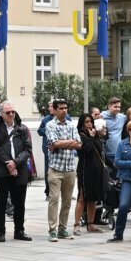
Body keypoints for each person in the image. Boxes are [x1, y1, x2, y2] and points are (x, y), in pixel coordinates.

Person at [0, 104, 34, 242]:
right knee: (1, 201)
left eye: (13, 112)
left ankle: (19, 230)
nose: (11, 114)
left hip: (19, 169)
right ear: (1, 114)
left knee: (19, 202)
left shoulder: (22, 128)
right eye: (8, 112)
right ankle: (0, 231)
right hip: (2, 170)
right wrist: (9, 163)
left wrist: (16, 162)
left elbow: (27, 149)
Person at [44, 98, 81, 241]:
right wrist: (67, 142)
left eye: (66, 108)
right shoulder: (50, 125)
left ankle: (62, 229)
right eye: (61, 108)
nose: (64, 111)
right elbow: (54, 142)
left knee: (67, 201)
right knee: (54, 199)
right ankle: (52, 230)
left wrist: (61, 144)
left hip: (70, 168)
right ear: (55, 110)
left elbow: (78, 144)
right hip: (56, 168)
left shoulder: (72, 125)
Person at [76, 111, 110, 235]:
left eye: (91, 122)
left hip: (96, 170)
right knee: (82, 197)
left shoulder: (94, 134)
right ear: (82, 124)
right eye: (87, 122)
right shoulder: (80, 135)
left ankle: (91, 224)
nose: (90, 124)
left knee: (93, 198)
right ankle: (77, 224)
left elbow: (99, 149)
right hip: (85, 169)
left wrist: (96, 136)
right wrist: (90, 137)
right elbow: (87, 150)